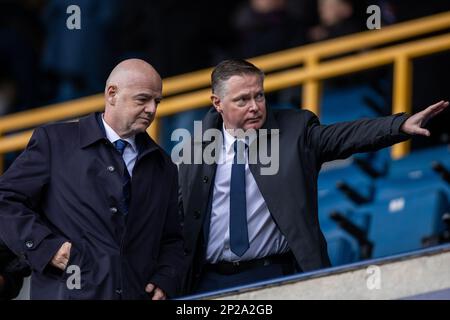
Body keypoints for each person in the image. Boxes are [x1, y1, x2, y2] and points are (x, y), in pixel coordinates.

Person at [178, 59, 449, 294]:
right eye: (242, 100)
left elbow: (345, 136)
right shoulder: (193, 150)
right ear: (218, 103)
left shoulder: (296, 130)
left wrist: (399, 124)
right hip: (209, 283)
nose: (255, 106)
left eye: (259, 96)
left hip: (274, 276)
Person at [0, 59, 185, 299]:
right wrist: (46, 248)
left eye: (157, 101)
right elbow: (6, 200)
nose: (152, 109)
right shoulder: (55, 141)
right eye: (142, 99)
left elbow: (172, 238)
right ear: (112, 94)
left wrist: (166, 277)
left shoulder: (163, 165)